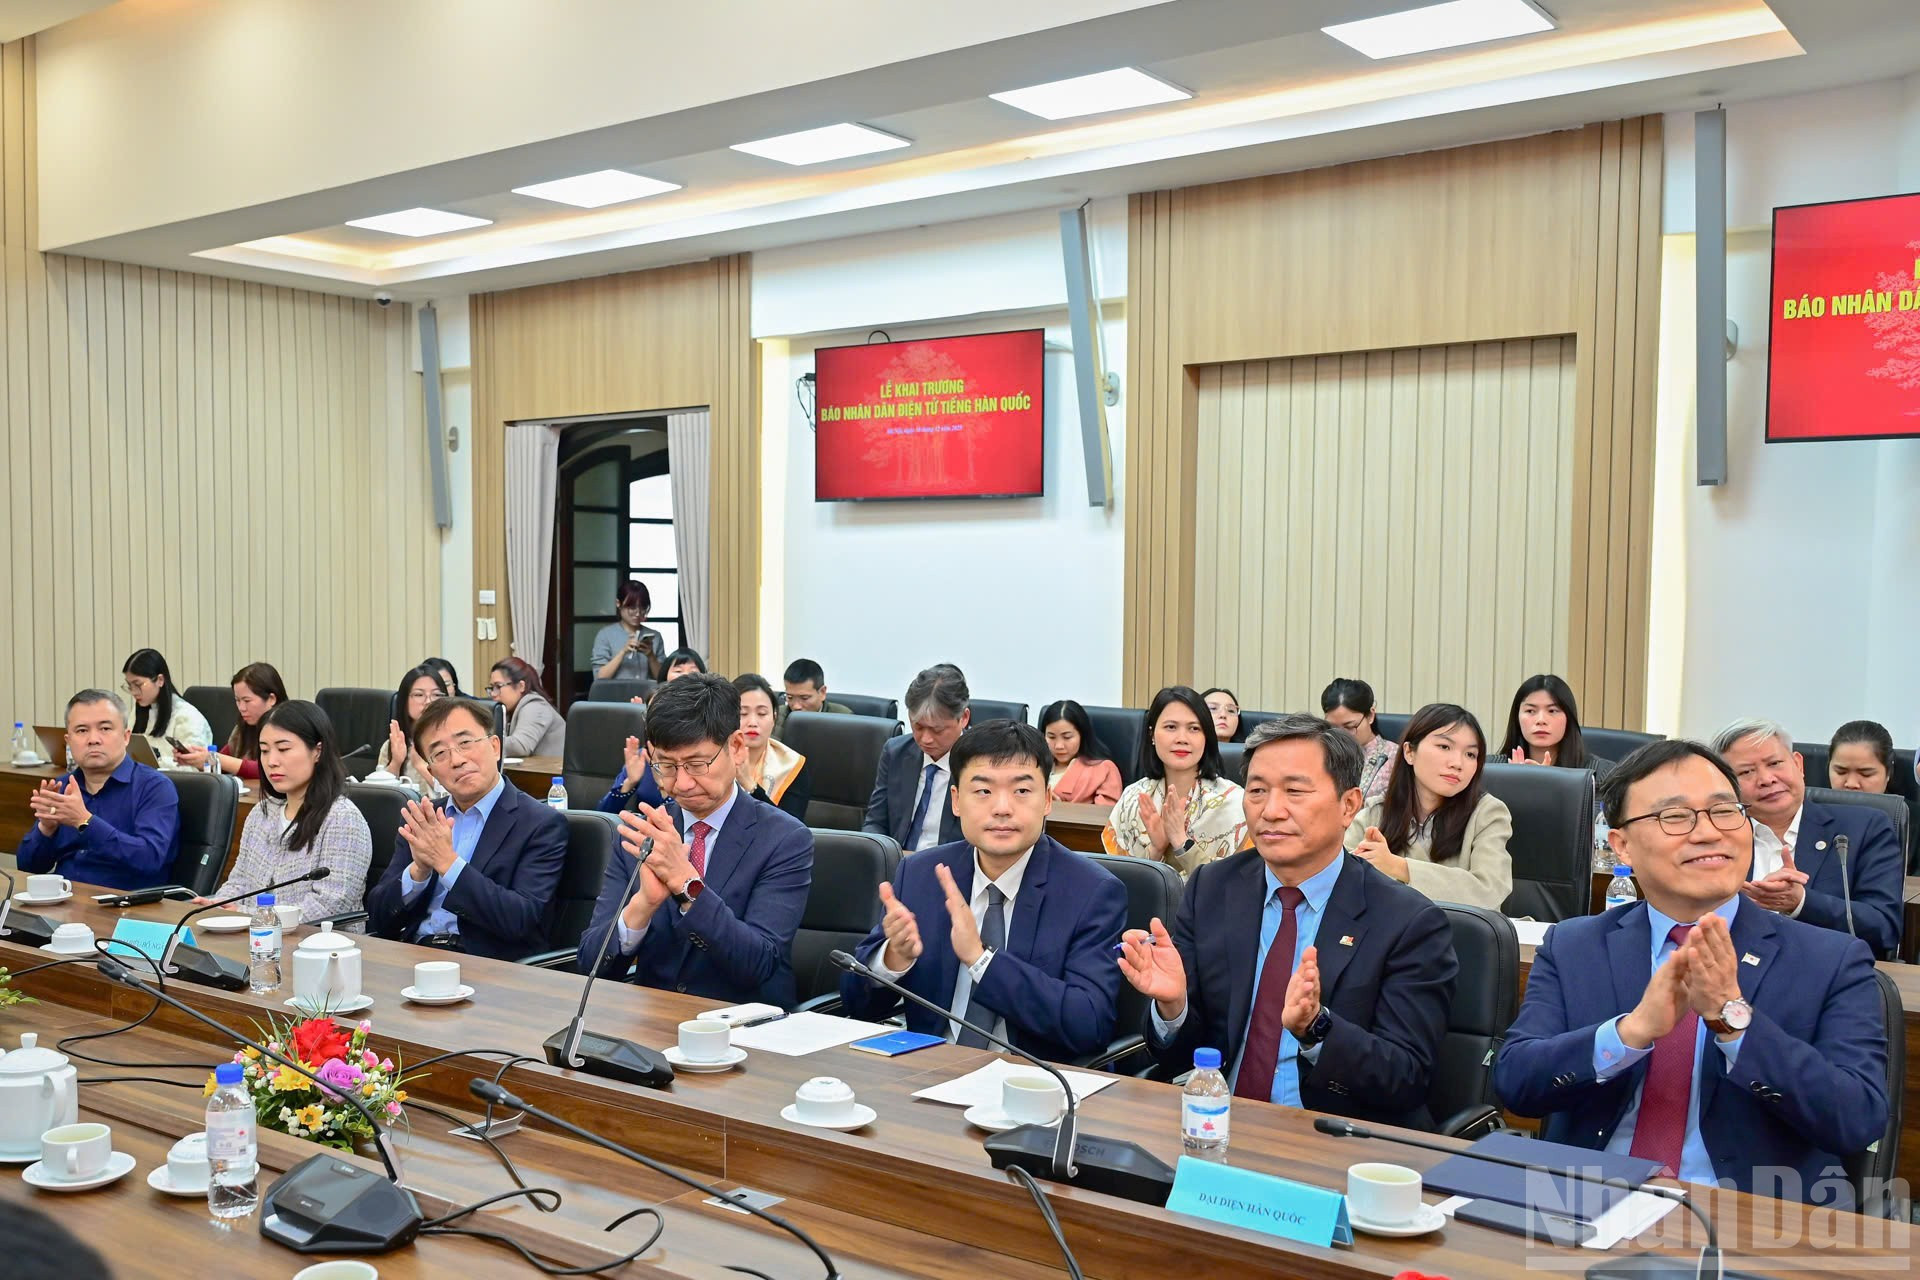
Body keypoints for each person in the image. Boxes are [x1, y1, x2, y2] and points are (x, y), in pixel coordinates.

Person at [1494, 739, 1889, 1206]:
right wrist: (1630, 1032)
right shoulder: (1575, 944)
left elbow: (1856, 1118)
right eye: (1674, 817)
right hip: (1591, 1201)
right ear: (1621, 844)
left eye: (1724, 811)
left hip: (1755, 1218)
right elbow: (1516, 1083)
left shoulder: (1832, 959)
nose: (1708, 833)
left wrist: (1732, 1020)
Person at [1118, 715, 1457, 1128]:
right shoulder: (1215, 887)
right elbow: (1181, 1055)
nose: (1271, 811)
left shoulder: (1408, 922)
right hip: (1219, 1125)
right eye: (1257, 791)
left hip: (1334, 1138)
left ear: (1348, 805)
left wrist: (1317, 1029)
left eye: (1295, 791)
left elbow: (1406, 1077)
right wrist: (1174, 1006)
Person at [841, 720, 1126, 1061]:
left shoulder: (1092, 892)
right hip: (927, 1071)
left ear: (1047, 800)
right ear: (957, 801)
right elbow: (855, 1003)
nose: (1002, 808)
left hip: (1031, 1084)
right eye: (983, 791)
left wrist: (981, 961)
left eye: (1022, 791)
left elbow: (1089, 1024)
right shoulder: (921, 875)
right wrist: (893, 959)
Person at [576, 673, 814, 1007]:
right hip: (652, 1022)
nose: (683, 783)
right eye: (667, 766)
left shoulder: (784, 838)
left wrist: (688, 886)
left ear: (735, 747)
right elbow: (590, 964)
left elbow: (758, 965)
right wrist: (642, 906)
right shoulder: (643, 835)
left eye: (697, 764)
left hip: (742, 1029)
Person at [365, 697, 568, 960]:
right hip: (416, 956)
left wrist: (447, 863)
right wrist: (418, 872)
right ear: (432, 772)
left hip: (489, 967)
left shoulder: (540, 823)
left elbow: (520, 919)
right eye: (440, 753)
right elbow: (379, 917)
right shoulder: (424, 820)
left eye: (465, 743)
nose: (457, 760)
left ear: (495, 747)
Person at [1711, 719, 1903, 957]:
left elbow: (1884, 929)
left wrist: (1801, 902)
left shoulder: (1863, 828)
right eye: (1747, 771)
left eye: (1775, 763)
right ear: (1726, 784)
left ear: (1798, 764)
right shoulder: (1715, 835)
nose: (1766, 779)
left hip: (1824, 974)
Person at [204, 701, 371, 922]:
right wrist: (218, 906)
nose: (271, 761)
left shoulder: (343, 819)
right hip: (253, 939)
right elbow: (240, 881)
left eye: (283, 749)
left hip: (317, 948)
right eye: (264, 751)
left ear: (317, 751)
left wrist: (247, 915)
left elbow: (329, 907)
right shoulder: (261, 813)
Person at [1344, 703, 1512, 911]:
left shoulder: (1488, 813)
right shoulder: (1377, 811)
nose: (1457, 763)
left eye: (1470, 754)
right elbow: (1337, 878)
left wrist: (1399, 867)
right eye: (1444, 747)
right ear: (1409, 752)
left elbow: (1489, 891)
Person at [18, 690, 181, 890]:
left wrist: (84, 821)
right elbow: (27, 867)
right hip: (64, 903)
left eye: (104, 728)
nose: (93, 739)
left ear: (126, 737)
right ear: (68, 742)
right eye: (82, 731)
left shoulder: (155, 788)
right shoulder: (62, 788)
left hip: (126, 909)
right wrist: (46, 829)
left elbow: (149, 859)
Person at [1102, 686, 1245, 877]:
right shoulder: (1133, 797)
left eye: (1194, 729)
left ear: (1206, 738)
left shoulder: (1235, 802)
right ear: (1152, 734)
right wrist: (1156, 849)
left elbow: (1231, 887)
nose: (1182, 739)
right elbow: (1124, 883)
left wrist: (1180, 841)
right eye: (1171, 727)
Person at [864, 664, 971, 852]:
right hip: (896, 864)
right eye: (918, 727)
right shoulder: (895, 752)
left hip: (950, 869)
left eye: (937, 729)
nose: (925, 739)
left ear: (963, 718)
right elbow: (875, 822)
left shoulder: (980, 763)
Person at [173, 662, 286, 780]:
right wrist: (198, 759)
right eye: (237, 700)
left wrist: (214, 758)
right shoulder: (243, 727)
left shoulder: (286, 728)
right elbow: (223, 761)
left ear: (271, 699)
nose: (241, 708)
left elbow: (266, 769)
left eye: (247, 701)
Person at [1498, 674, 1612, 774]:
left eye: (1552, 711)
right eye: (1530, 711)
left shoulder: (1600, 773)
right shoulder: (1490, 769)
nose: (1541, 720)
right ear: (1517, 717)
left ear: (1569, 718)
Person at [735, 673, 812, 821]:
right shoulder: (710, 759)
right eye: (742, 713)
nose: (752, 722)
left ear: (774, 718)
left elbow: (791, 830)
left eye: (762, 713)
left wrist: (750, 786)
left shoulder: (792, 766)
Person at [121, 648, 212, 763]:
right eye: (129, 685)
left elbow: (193, 768)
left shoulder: (188, 717)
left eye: (138, 684)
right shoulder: (138, 710)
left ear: (160, 680)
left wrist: (158, 761)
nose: (133, 692)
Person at [1321, 677, 1396, 804]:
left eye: (1350, 727)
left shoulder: (1394, 757)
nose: (1341, 736)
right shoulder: (1319, 752)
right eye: (1333, 728)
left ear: (1370, 716)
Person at [377, 664, 448, 796]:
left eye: (436, 694)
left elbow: (457, 795)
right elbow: (380, 797)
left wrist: (421, 767)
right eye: (419, 694)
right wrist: (396, 762)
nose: (428, 701)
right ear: (404, 701)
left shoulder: (453, 745)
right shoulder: (393, 745)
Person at [1039, 699, 1122, 804]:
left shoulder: (1104, 770)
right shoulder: (1034, 765)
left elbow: (1104, 816)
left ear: (1082, 735)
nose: (1059, 746)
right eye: (1051, 737)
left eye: (1067, 737)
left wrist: (1061, 809)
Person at [591, 579, 667, 683]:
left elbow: (662, 679)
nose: (638, 613)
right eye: (632, 607)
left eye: (642, 607)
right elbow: (600, 677)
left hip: (647, 696)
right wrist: (623, 652)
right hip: (613, 696)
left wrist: (651, 656)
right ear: (618, 603)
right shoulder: (605, 635)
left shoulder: (655, 636)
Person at [487, 657, 565, 758]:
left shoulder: (536, 706)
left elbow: (520, 746)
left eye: (498, 686)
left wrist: (481, 742)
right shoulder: (508, 709)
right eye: (491, 688)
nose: (493, 693)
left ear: (521, 686)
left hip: (551, 772)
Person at [773, 658, 851, 741]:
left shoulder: (843, 718)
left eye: (804, 698)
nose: (796, 706)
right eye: (790, 697)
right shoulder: (777, 715)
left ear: (822, 692)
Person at [1827, 720, 1894, 793]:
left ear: (1888, 773)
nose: (1851, 784)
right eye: (1840, 772)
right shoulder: (1813, 802)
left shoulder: (1904, 804)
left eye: (1866, 774)